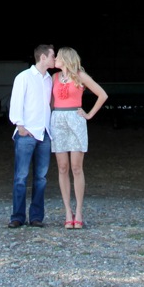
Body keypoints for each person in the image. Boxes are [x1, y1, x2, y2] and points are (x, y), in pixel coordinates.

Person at [51, 47, 108, 229]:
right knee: (62, 167)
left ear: (66, 59)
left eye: (58, 57)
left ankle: (80, 211)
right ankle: (68, 211)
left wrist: (89, 114)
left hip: (75, 120)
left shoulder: (80, 76)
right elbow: (50, 102)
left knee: (76, 167)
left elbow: (102, 94)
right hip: (58, 120)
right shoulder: (54, 78)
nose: (55, 60)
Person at [7, 44, 55, 227]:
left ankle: (36, 216)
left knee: (41, 178)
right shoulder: (24, 77)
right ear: (43, 57)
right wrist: (19, 125)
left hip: (43, 133)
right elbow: (16, 100)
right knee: (21, 177)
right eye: (52, 56)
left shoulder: (49, 79)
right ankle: (18, 217)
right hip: (27, 132)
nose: (54, 59)